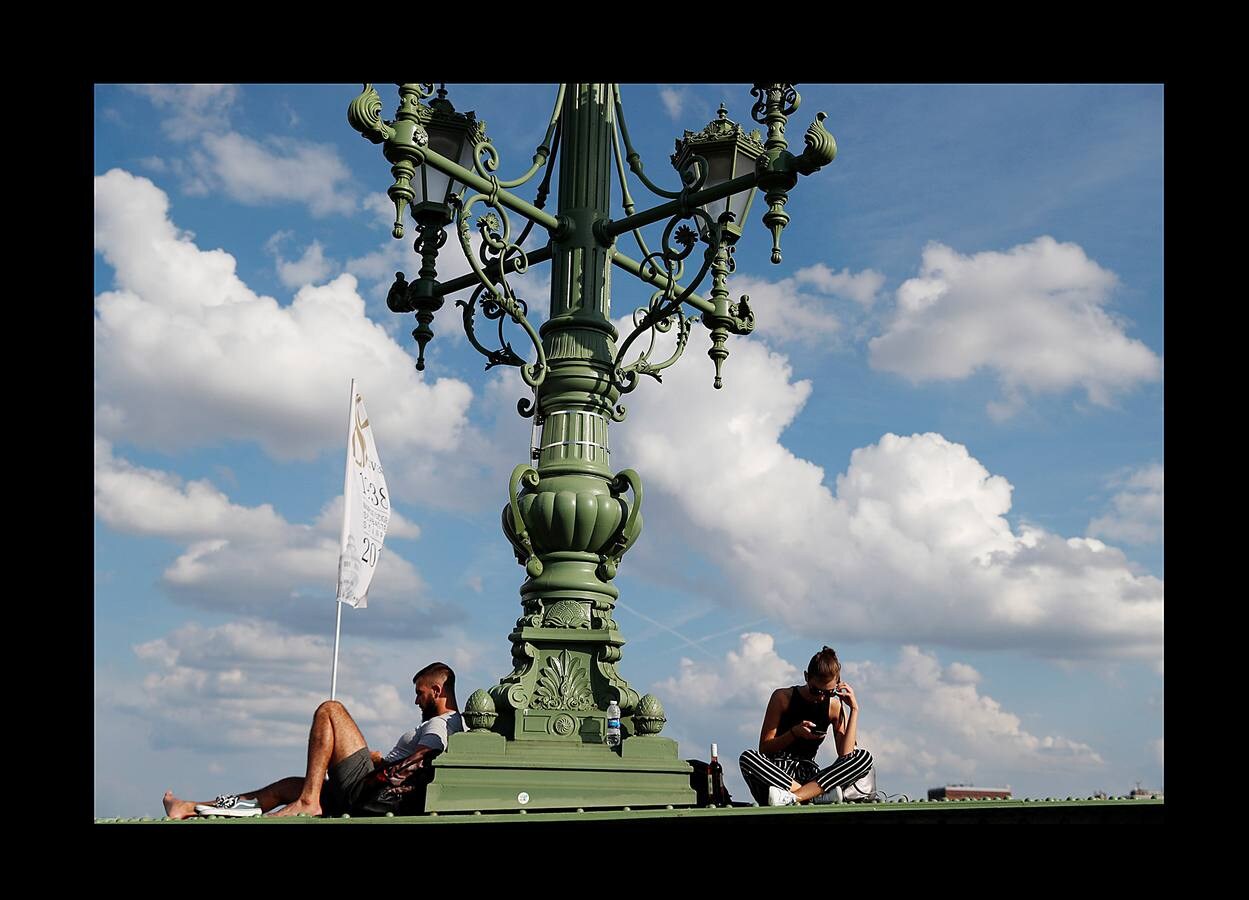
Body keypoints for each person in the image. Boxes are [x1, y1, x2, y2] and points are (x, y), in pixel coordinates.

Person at [162, 661, 462, 819]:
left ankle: (309, 801)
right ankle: (188, 807)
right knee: (285, 787)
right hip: (372, 783)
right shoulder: (438, 723)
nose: (416, 700)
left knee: (331, 710)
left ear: (436, 691)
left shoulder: (441, 723)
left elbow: (423, 759)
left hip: (372, 790)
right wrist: (380, 759)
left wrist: (381, 768)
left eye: (420, 693)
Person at [739, 646, 874, 806]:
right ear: (806, 677)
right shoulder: (783, 698)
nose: (822, 697)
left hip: (811, 775)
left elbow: (846, 754)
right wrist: (794, 733)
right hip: (777, 774)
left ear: (838, 686)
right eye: (816, 691)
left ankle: (795, 797)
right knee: (747, 758)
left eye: (829, 692)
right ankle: (812, 796)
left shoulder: (834, 707)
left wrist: (854, 709)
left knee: (863, 757)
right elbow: (765, 748)